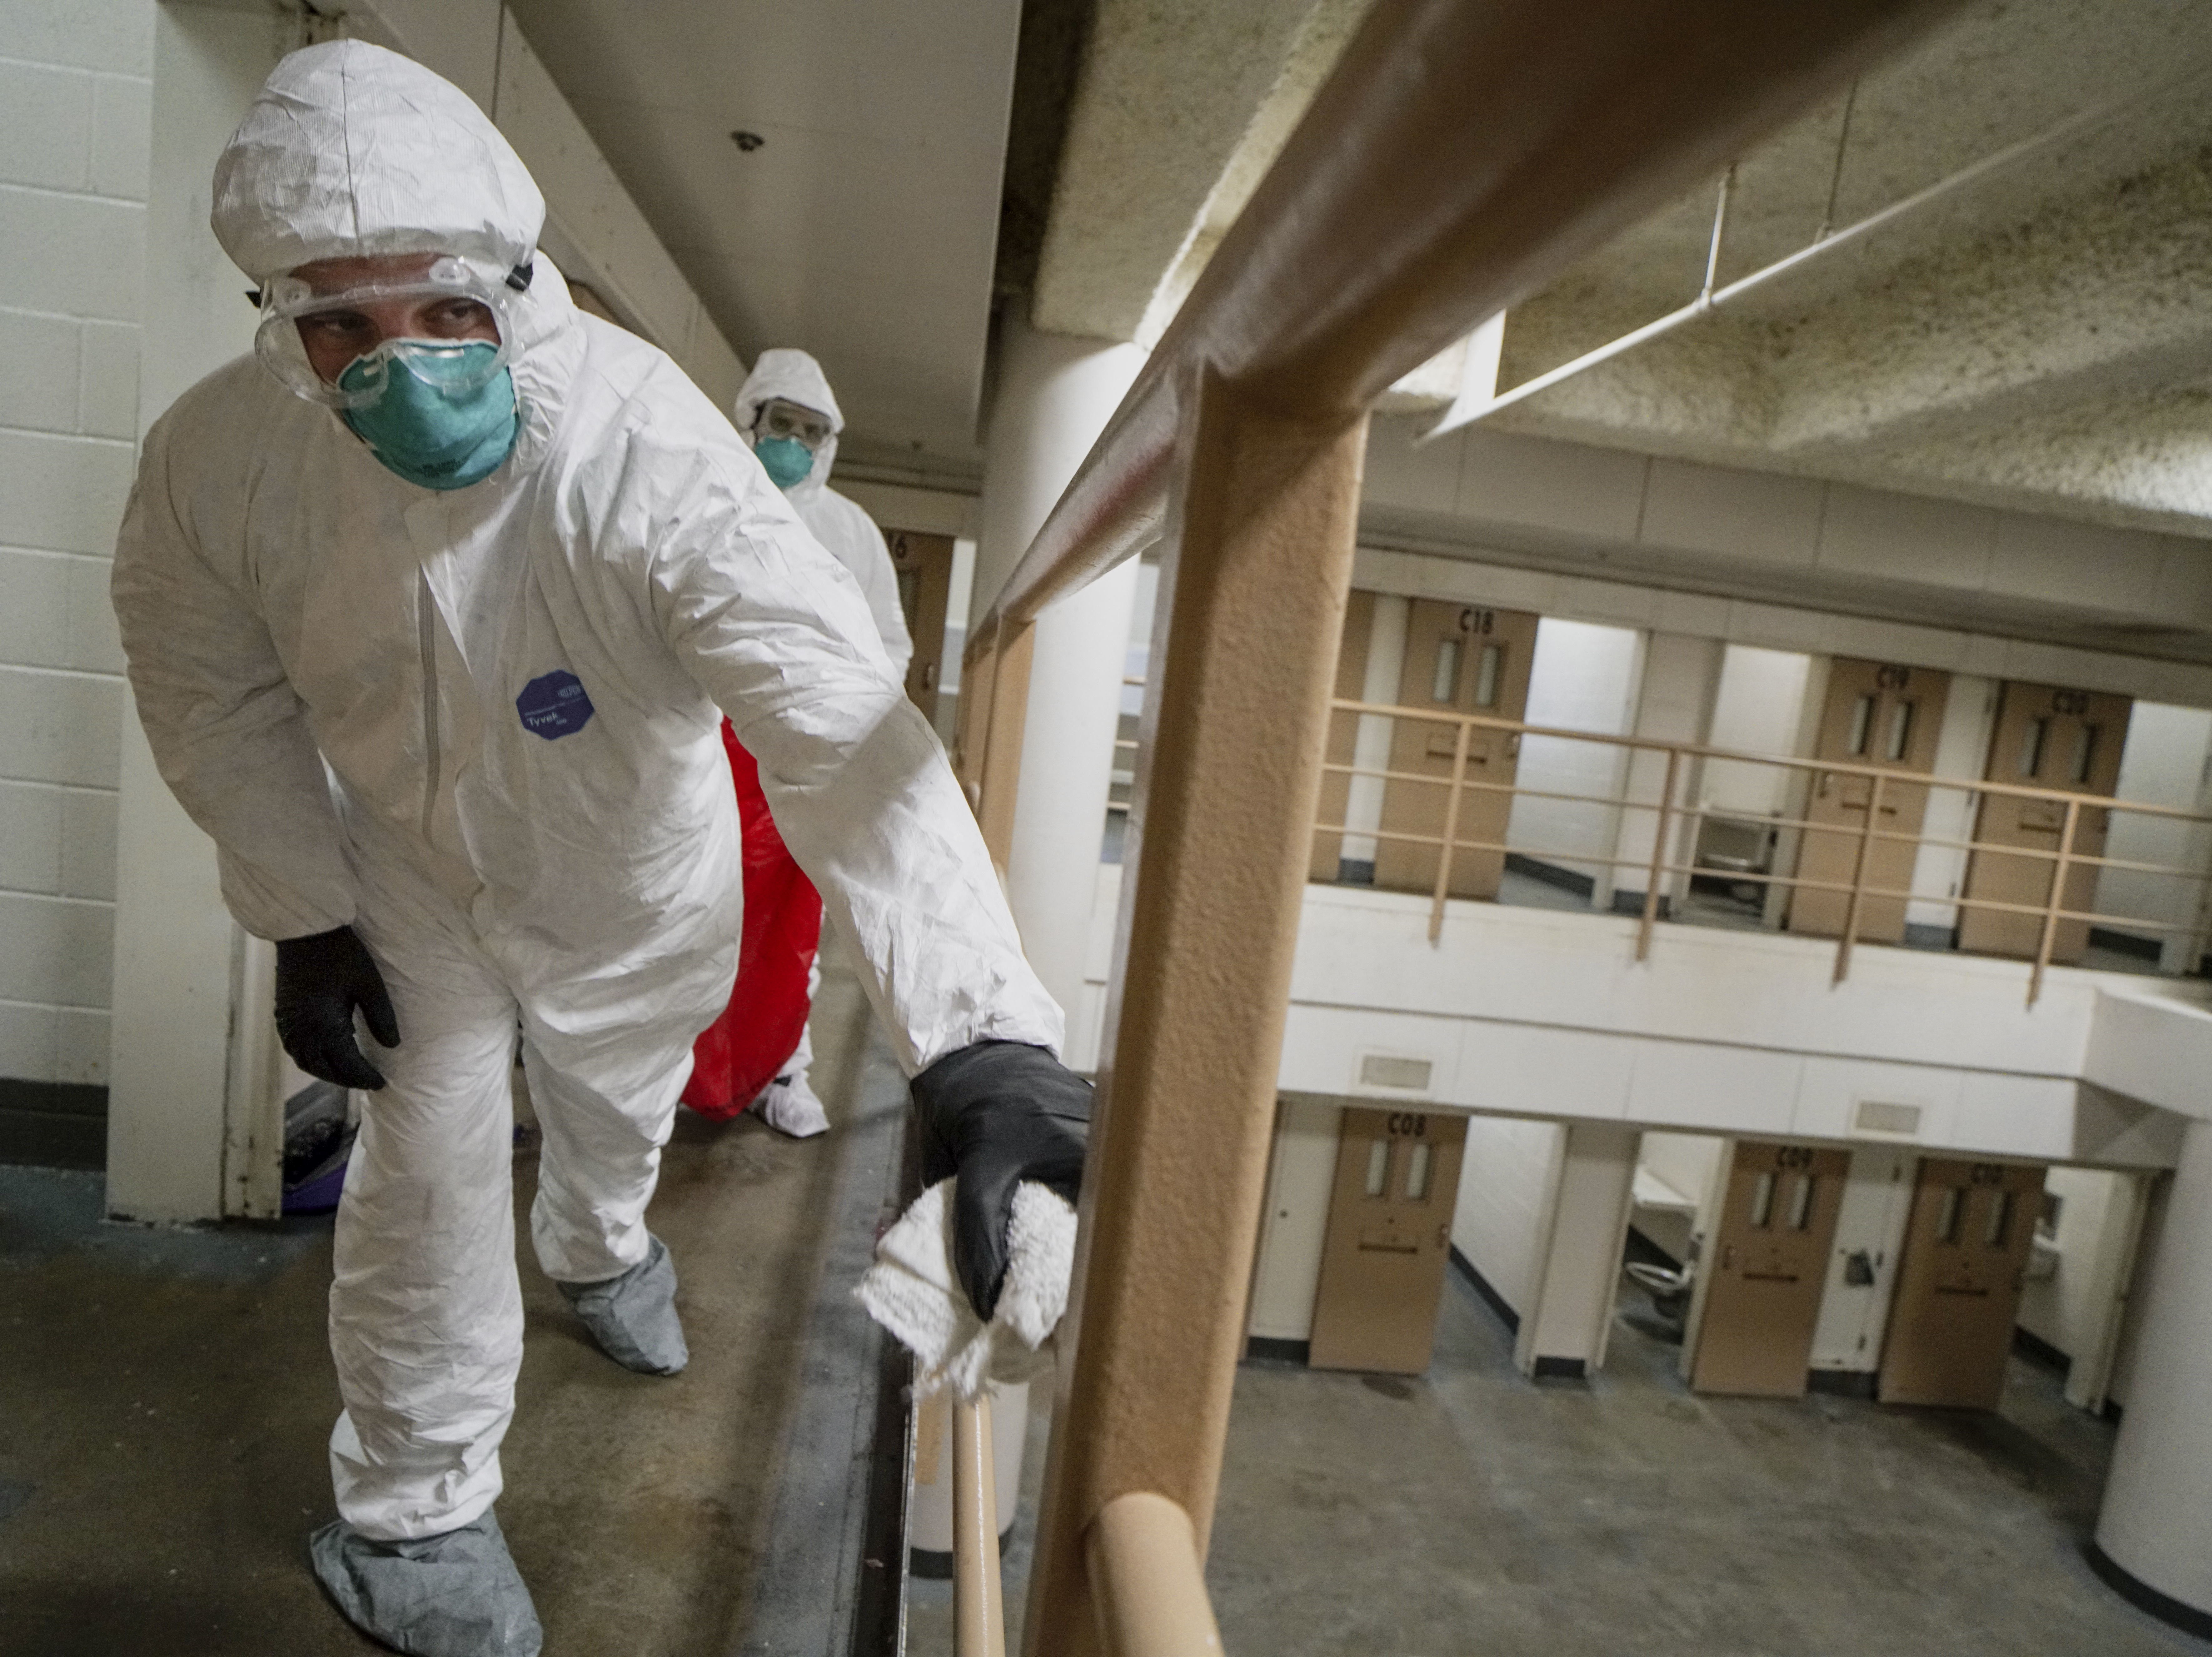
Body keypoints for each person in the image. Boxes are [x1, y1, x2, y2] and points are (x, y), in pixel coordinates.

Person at [110, 41, 1088, 1657]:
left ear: (513, 280)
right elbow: (207, 693)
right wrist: (298, 902)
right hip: (409, 881)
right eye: (337, 326)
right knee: (421, 1162)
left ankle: (598, 1239)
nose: (395, 367)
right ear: (280, 323)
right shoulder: (227, 465)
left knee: (609, 1119)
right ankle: (414, 1508)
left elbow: (846, 737)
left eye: (435, 310)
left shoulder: (647, 458)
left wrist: (983, 1036)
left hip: (635, 890)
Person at [691, 350, 912, 1141]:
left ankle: (780, 1074)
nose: (795, 441)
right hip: (699, 750)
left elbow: (889, 644)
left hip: (798, 755)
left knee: (791, 925)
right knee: (681, 917)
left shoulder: (849, 531)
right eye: (782, 422)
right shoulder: (704, 499)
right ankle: (662, 1079)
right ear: (751, 418)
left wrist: (846, 726)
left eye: (811, 430)